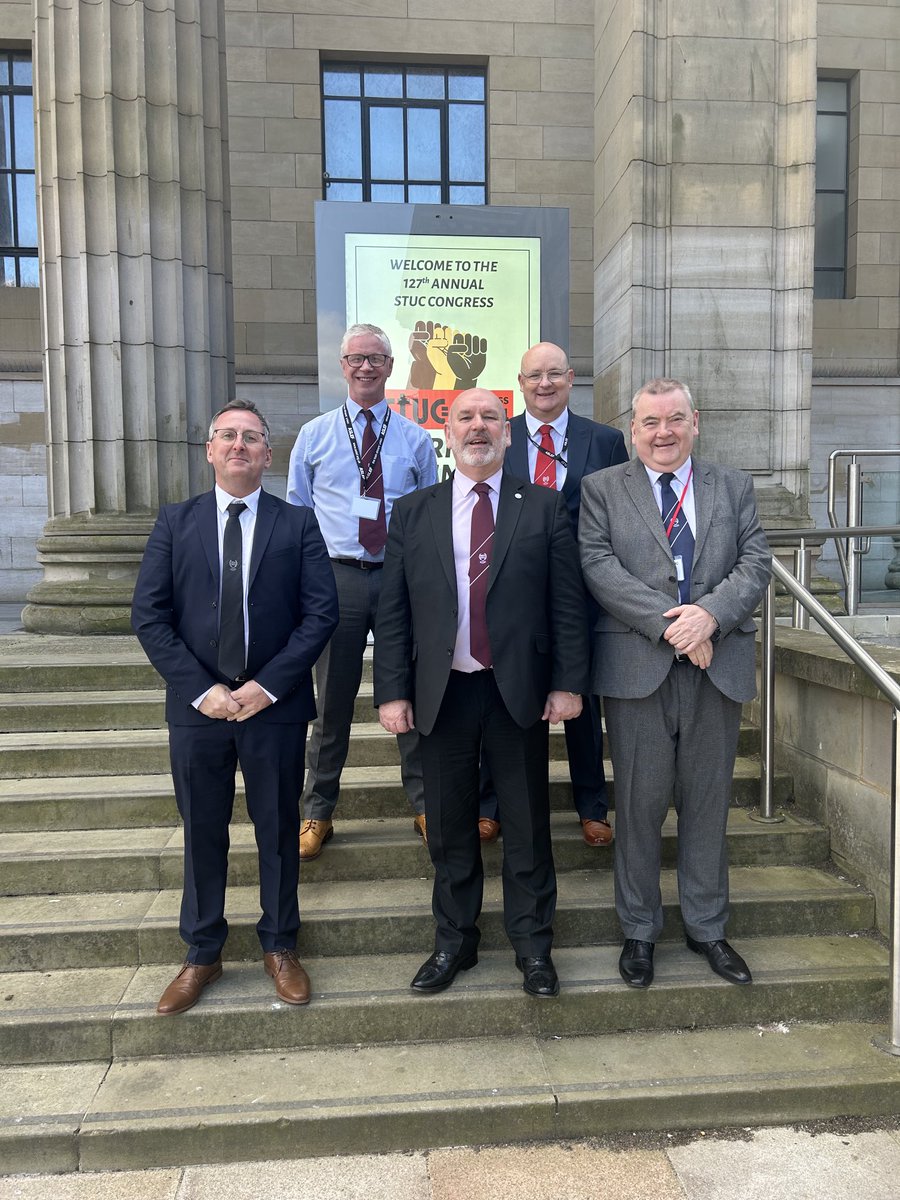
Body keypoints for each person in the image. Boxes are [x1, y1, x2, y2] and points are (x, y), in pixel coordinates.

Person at [374, 388, 588, 998]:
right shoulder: (415, 511)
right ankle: (454, 943)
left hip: (515, 690)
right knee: (447, 828)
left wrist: (568, 684)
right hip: (441, 693)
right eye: (465, 417)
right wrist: (391, 691)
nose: (477, 427)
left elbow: (566, 605)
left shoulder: (544, 507)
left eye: (490, 417)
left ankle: (533, 947)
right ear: (448, 432)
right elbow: (393, 612)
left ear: (508, 432)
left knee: (526, 825)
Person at [131, 399, 338, 1015]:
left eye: (252, 438)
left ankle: (280, 945)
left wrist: (265, 687)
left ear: (268, 455)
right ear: (210, 449)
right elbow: (151, 614)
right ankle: (202, 953)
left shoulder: (297, 524)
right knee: (202, 831)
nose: (240, 446)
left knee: (278, 830)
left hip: (272, 708)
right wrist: (204, 689)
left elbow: (319, 613)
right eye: (228, 436)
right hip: (199, 710)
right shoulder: (176, 522)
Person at [578, 378, 771, 989]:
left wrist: (710, 615)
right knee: (637, 806)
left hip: (718, 668)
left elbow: (756, 561)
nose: (663, 433)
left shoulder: (731, 485)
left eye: (675, 420)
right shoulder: (602, 489)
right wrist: (676, 629)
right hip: (639, 668)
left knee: (708, 804)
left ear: (695, 422)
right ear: (632, 429)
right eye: (650, 422)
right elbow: (599, 567)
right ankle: (639, 930)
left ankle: (708, 927)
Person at [287, 323, 438, 859]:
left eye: (376, 359)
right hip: (338, 576)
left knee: (410, 696)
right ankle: (316, 811)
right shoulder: (315, 436)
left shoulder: (416, 439)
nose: (367, 367)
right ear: (343, 366)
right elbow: (300, 518)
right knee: (331, 703)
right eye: (357, 359)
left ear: (391, 367)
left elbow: (427, 519)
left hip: (398, 578)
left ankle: (425, 804)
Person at [478, 341, 628, 847]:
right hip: (515, 590)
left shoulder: (604, 441)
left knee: (580, 699)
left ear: (571, 379)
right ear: (519, 384)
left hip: (584, 591)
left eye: (555, 375)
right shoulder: (499, 435)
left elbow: (624, 512)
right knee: (505, 698)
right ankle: (493, 803)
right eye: (534, 376)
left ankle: (591, 805)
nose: (545, 384)